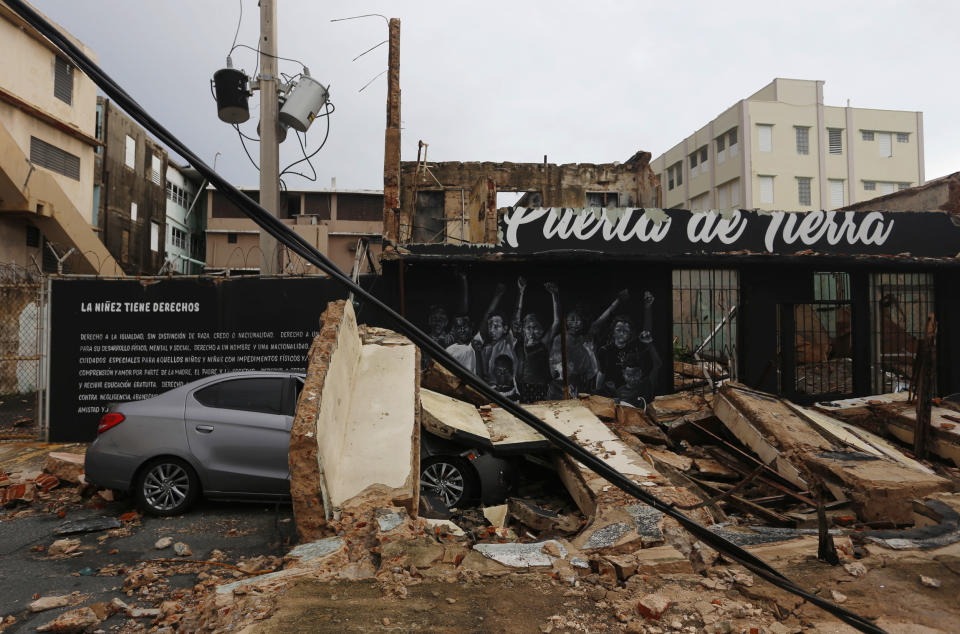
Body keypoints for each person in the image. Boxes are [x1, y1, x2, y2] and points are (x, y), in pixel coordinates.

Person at [547, 289, 629, 399]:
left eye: (578, 320)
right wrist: (555, 295)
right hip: (558, 386)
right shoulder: (559, 338)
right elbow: (553, 364)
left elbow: (601, 319)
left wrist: (618, 300)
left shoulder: (586, 338)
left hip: (579, 387)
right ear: (566, 320)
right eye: (571, 319)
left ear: (583, 322)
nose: (574, 323)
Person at [596, 291, 659, 397]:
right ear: (613, 332)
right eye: (619, 330)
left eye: (625, 331)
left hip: (632, 392)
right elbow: (601, 372)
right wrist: (597, 392)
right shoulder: (605, 350)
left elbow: (646, 332)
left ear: (630, 334)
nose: (622, 333)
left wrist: (648, 307)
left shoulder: (634, 346)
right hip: (612, 392)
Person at [514, 279, 560, 403]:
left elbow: (556, 323)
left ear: (541, 330)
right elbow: (517, 320)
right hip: (522, 387)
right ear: (523, 329)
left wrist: (554, 295)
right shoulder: (521, 342)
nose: (532, 331)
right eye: (528, 328)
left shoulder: (543, 343)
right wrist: (521, 292)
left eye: (535, 327)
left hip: (541, 387)